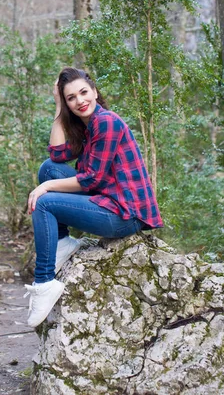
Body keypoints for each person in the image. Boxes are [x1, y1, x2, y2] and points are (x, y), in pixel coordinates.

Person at [24, 67, 164, 328]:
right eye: (71, 98)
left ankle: (44, 283)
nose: (80, 101)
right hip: (108, 199)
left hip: (124, 214)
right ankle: (63, 244)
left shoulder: (107, 121)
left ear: (95, 92)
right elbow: (57, 155)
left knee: (44, 202)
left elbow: (91, 179)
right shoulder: (87, 126)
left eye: (83, 92)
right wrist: (58, 107)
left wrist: (46, 188)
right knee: (48, 169)